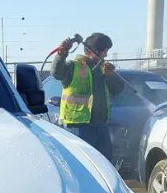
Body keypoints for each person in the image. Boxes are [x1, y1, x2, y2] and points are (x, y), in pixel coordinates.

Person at [50, 32, 125, 161]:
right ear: (94, 51)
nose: (106, 55)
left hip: (101, 126)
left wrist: (111, 75)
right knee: (83, 165)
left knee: (105, 165)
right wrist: (61, 55)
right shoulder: (73, 66)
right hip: (79, 127)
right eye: (104, 51)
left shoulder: (104, 69)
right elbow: (57, 73)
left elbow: (118, 89)